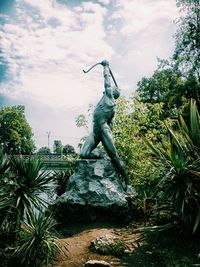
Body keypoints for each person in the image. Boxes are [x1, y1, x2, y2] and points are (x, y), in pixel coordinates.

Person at [80, 60, 129, 188]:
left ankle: (127, 180)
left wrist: (106, 67)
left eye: (110, 89)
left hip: (102, 130)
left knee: (115, 157)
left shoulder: (109, 96)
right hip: (95, 132)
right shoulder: (106, 100)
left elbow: (107, 80)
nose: (107, 89)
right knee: (83, 154)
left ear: (112, 92)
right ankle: (99, 156)